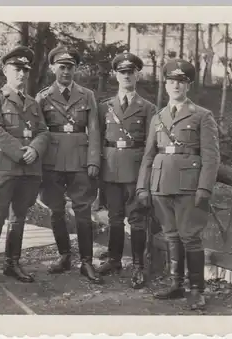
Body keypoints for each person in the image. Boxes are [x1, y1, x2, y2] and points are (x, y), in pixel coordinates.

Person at [136, 59, 220, 309]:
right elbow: (149, 154)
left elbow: (211, 156)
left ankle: (196, 289)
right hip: (161, 184)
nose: (175, 86)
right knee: (172, 236)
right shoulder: (158, 117)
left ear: (188, 86)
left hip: (189, 186)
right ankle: (176, 284)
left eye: (180, 82)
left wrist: (204, 188)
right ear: (165, 84)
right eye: (171, 81)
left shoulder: (202, 116)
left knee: (190, 237)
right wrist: (143, 186)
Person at [0, 46, 50, 284]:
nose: (21, 74)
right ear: (5, 71)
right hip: (3, 168)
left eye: (25, 70)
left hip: (28, 170)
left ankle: (12, 263)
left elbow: (42, 131)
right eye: (16, 69)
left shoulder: (32, 103)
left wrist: (35, 149)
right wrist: (22, 152)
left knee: (19, 216)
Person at [35, 46, 103, 284]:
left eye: (70, 67)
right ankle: (64, 256)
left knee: (83, 211)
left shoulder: (87, 95)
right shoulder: (42, 97)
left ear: (75, 69)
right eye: (62, 67)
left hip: (80, 160)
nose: (66, 71)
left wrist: (94, 159)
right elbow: (39, 131)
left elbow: (94, 129)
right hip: (51, 161)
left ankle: (86, 262)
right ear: (53, 68)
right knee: (56, 211)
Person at [96, 51, 156, 289]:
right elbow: (98, 139)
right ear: (115, 75)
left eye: (130, 72)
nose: (126, 76)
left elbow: (152, 145)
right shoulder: (105, 107)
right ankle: (114, 260)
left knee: (137, 220)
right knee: (114, 219)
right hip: (110, 168)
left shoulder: (148, 107)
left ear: (137, 75)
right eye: (122, 72)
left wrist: (147, 174)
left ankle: (139, 265)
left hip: (135, 169)